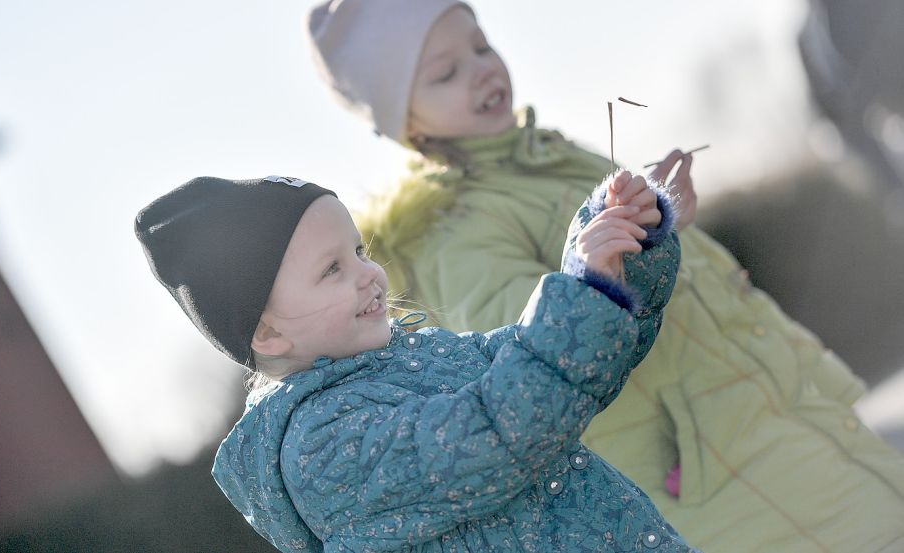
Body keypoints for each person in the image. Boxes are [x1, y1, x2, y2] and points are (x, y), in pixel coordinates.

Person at [306, 1, 904, 551]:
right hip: (712, 479)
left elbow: (657, 271)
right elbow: (539, 355)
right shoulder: (453, 234)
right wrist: (602, 267)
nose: (481, 72)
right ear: (406, 122)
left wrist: (665, 219)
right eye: (445, 73)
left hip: (770, 415)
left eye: (481, 48)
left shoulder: (557, 159)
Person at [134, 173, 696, 552]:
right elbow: (500, 431)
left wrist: (622, 252)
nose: (368, 273)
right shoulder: (321, 449)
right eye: (332, 269)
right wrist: (583, 286)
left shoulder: (427, 357)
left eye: (359, 251)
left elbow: (564, 368)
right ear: (265, 330)